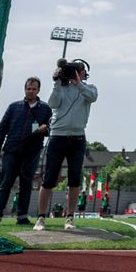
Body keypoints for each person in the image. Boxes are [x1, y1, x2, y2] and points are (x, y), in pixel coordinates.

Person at [33, 59, 97, 232]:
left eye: (78, 70)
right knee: (48, 179)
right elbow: (53, 103)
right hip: (58, 137)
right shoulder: (61, 86)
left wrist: (78, 84)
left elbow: (92, 98)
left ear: (84, 72)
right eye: (72, 70)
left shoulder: (89, 88)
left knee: (75, 179)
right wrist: (57, 83)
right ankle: (41, 218)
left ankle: (69, 217)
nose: (75, 73)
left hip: (77, 138)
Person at [0, 76, 51, 226]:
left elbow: (50, 129)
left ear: (38, 90)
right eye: (28, 89)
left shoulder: (45, 109)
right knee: (5, 184)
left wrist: (43, 129)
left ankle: (22, 217)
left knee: (26, 186)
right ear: (25, 89)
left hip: (31, 153)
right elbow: (2, 128)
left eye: (33, 89)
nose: (30, 91)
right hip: (11, 151)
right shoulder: (14, 107)